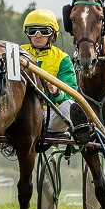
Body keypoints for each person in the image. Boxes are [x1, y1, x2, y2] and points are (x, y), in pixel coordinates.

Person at [20, 9, 78, 137]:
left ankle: (80, 129)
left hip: (49, 116)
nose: (38, 35)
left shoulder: (62, 59)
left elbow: (70, 94)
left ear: (52, 35)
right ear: (27, 34)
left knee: (70, 106)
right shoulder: (18, 52)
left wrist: (57, 92)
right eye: (32, 31)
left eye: (44, 31)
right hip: (20, 115)